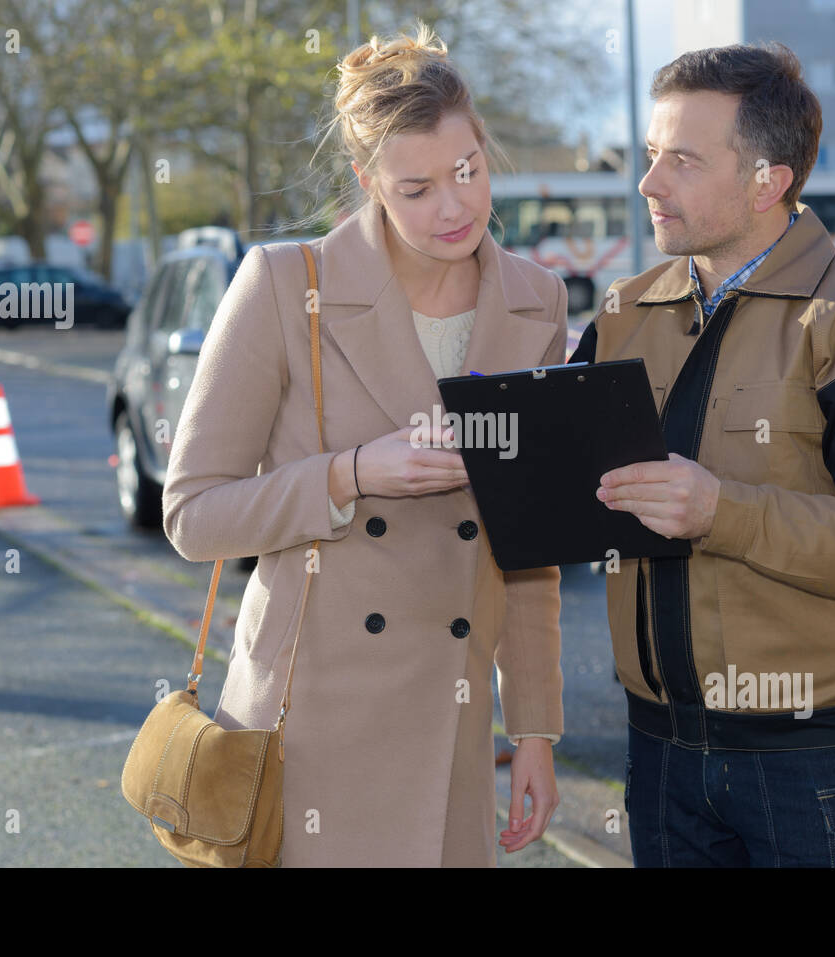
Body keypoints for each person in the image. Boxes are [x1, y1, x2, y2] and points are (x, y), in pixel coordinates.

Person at [162, 22, 567, 867]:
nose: (453, 206)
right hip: (308, 724)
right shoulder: (284, 284)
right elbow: (194, 514)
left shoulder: (537, 302)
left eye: (467, 172)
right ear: (367, 182)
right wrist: (350, 475)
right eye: (415, 188)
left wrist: (533, 728)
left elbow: (532, 545)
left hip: (452, 732)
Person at [569, 42, 835, 867]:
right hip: (660, 758)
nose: (648, 183)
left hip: (822, 767)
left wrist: (722, 512)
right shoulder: (620, 318)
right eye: (648, 155)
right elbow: (568, 506)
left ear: (767, 180)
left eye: (680, 159)